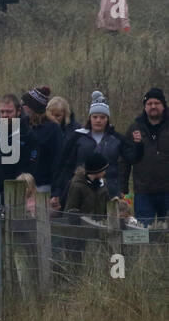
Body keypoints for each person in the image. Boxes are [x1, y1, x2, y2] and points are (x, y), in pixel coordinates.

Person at [51, 92, 131, 207]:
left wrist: (122, 188)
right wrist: (57, 192)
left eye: (102, 117)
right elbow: (65, 166)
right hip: (81, 190)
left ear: (107, 119)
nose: (98, 120)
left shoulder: (116, 139)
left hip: (110, 191)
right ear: (90, 118)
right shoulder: (78, 137)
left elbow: (126, 163)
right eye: (95, 117)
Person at [126, 87, 169, 225]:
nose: (153, 106)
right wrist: (123, 188)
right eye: (149, 104)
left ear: (163, 105)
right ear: (145, 107)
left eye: (157, 103)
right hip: (143, 192)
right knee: (143, 234)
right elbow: (125, 159)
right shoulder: (135, 128)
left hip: (167, 190)